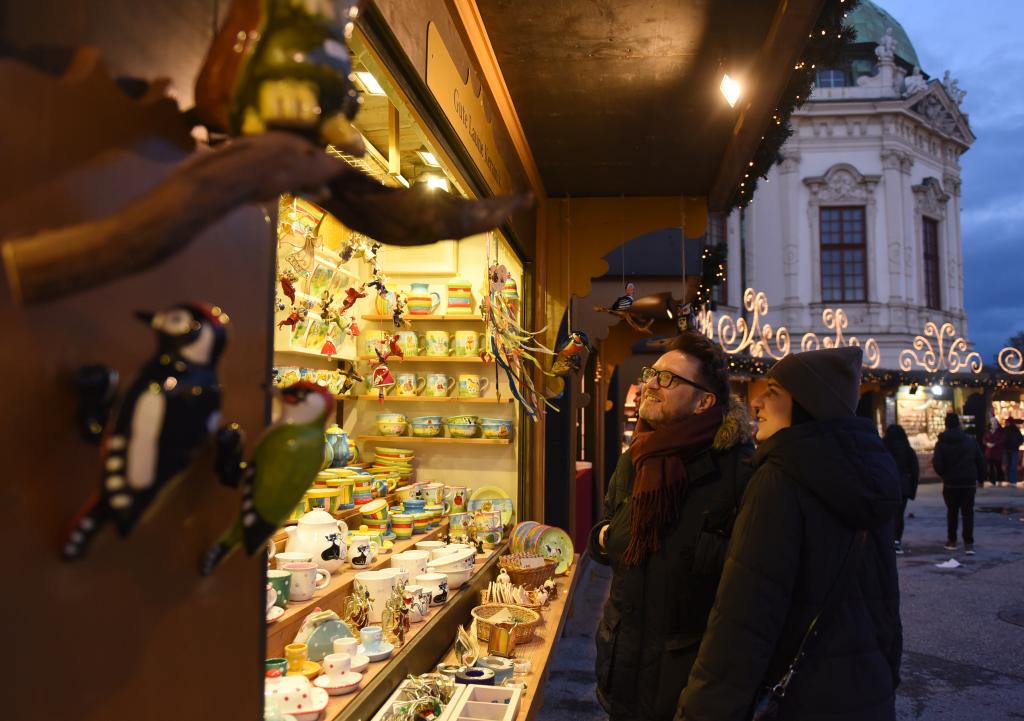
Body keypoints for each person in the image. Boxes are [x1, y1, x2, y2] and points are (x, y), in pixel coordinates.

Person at [678, 347, 903, 721]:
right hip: (868, 693)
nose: (757, 403)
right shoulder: (872, 476)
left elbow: (744, 621)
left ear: (806, 403)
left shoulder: (780, 478)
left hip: (798, 699)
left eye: (773, 393)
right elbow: (886, 606)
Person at [588, 331, 754, 721]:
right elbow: (606, 533)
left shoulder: (738, 470)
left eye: (668, 379)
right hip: (623, 669)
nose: (650, 384)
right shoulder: (637, 457)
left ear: (704, 401)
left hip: (687, 685)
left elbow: (748, 591)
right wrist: (606, 538)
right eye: (651, 373)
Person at [932, 412, 984, 553]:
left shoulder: (941, 443)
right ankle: (968, 543)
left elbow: (937, 464)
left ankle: (952, 540)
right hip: (968, 482)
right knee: (968, 513)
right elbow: (980, 460)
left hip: (950, 483)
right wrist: (980, 478)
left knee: (952, 512)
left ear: (946, 424)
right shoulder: (970, 441)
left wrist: (944, 475)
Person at [883, 424, 919, 554]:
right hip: (902, 487)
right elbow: (915, 472)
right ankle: (897, 541)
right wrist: (912, 491)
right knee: (899, 515)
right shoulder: (908, 451)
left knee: (887, 515)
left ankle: (886, 540)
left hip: (886, 485)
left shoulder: (883, 448)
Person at [982, 417, 1005, 487]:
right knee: (990, 467)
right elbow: (984, 439)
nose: (993, 424)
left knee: (998, 467)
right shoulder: (988, 431)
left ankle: (999, 480)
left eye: (995, 422)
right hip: (989, 452)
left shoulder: (1000, 431)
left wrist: (995, 444)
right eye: (992, 422)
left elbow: (1002, 440)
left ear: (997, 423)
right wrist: (987, 443)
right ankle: (992, 481)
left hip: (997, 452)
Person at [1003, 418, 1023, 487]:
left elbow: (1021, 439)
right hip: (1012, 449)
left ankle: (1011, 480)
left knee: (1011, 466)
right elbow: (1021, 438)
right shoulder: (1015, 429)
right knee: (1011, 466)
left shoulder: (1007, 429)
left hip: (1010, 449)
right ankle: (1011, 481)